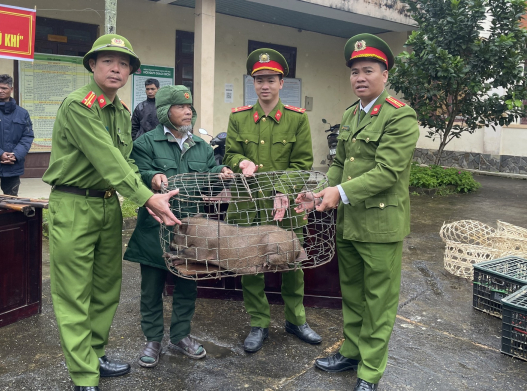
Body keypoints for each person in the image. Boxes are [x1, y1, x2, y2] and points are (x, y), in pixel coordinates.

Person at [42, 34, 181, 391]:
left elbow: (126, 162)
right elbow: (106, 158)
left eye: (124, 64)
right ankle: (83, 375)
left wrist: (150, 189)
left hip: (107, 205)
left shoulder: (120, 111)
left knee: (106, 289)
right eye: (107, 61)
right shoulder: (80, 105)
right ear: (92, 65)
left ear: (131, 72)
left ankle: (95, 354)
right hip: (73, 204)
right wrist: (145, 198)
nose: (116, 68)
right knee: (74, 293)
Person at [296, 34, 420, 391]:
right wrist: (321, 192)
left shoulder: (399, 116)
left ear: (385, 75)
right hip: (349, 222)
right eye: (354, 72)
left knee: (378, 301)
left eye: (368, 70)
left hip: (381, 225)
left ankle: (369, 372)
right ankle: (350, 352)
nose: (360, 77)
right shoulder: (351, 114)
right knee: (351, 293)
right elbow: (340, 163)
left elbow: (388, 171)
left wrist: (340, 191)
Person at [124, 85, 233, 368]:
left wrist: (220, 173)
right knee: (151, 289)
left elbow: (208, 176)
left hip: (191, 229)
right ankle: (153, 339)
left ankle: (181, 335)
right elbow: (135, 172)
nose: (188, 112)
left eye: (190, 107)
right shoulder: (146, 143)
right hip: (155, 228)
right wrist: (152, 177)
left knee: (187, 286)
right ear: (164, 112)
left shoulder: (200, 146)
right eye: (181, 107)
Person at [223, 48, 322, 353]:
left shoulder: (296, 120)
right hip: (248, 206)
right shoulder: (239, 118)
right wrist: (242, 163)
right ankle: (258, 323)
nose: (264, 86)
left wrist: (282, 188)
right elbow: (229, 153)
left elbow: (303, 164)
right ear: (253, 84)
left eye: (270, 80)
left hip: (285, 209)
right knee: (250, 266)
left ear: (281, 82)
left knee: (292, 265)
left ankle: (296, 320)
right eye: (259, 80)